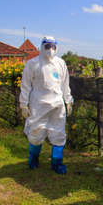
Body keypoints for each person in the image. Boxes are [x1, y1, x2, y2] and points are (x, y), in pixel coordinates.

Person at [19, 36, 73, 174]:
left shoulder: (61, 63)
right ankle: (34, 159)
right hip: (38, 105)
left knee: (58, 134)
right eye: (47, 46)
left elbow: (65, 84)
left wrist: (68, 101)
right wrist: (23, 104)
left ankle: (57, 163)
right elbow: (25, 85)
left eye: (53, 47)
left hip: (57, 105)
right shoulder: (33, 64)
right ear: (42, 47)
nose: (50, 50)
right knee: (36, 134)